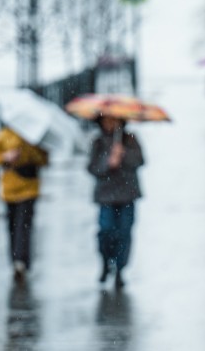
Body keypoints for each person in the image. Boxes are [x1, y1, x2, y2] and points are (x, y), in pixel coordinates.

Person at [87, 115, 144, 289]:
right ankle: (106, 261)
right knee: (106, 231)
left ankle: (120, 269)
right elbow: (92, 167)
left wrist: (123, 155)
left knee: (124, 233)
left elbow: (140, 161)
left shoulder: (130, 139)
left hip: (127, 195)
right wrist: (108, 162)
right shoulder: (97, 142)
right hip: (106, 196)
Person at [0, 125, 49, 282]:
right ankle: (15, 260)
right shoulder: (3, 135)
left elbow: (43, 160)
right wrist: (6, 157)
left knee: (23, 226)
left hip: (29, 190)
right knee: (12, 226)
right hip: (9, 190)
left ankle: (21, 261)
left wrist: (27, 153)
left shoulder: (34, 136)